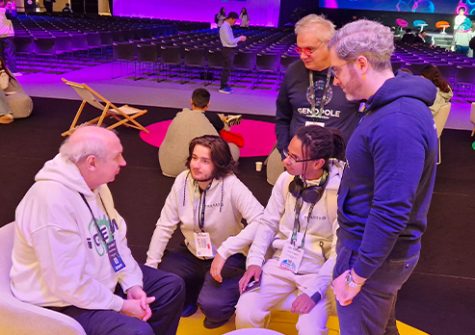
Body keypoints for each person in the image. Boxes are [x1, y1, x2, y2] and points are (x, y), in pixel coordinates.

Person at [10, 126, 186, 335]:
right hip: (60, 302)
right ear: (92, 162)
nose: (123, 162)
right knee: (136, 332)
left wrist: (132, 285)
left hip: (97, 280)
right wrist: (120, 305)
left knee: (169, 288)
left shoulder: (97, 187)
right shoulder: (51, 202)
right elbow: (66, 283)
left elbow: (115, 241)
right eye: (117, 156)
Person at [328, 19, 438, 334]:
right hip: (374, 252)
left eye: (337, 69)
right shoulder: (389, 108)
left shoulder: (397, 122)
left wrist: (357, 275)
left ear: (361, 63)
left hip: (371, 256)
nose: (334, 80)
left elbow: (391, 209)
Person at [235, 125, 345, 335]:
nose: (285, 161)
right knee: (245, 311)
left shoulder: (338, 193)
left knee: (309, 330)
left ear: (318, 163)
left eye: (294, 157)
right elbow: (268, 223)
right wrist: (255, 261)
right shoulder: (286, 180)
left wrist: (314, 292)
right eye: (287, 153)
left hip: (316, 273)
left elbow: (340, 251)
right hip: (281, 263)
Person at [147, 135, 264, 329]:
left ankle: (210, 289)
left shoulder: (231, 185)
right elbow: (164, 226)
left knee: (214, 309)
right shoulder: (182, 181)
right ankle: (195, 289)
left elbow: (261, 219)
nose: (196, 165)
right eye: (194, 158)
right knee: (164, 293)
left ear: (218, 164)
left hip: (227, 256)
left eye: (205, 161)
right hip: (191, 253)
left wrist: (226, 250)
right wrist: (150, 268)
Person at [269, 14, 361, 185]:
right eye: (299, 49)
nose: (303, 56)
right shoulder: (293, 71)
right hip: (298, 165)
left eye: (309, 49)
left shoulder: (350, 72)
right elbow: (283, 116)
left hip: (338, 167)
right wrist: (284, 150)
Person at [158, 88, 240, 177]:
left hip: (168, 167)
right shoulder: (210, 118)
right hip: (195, 170)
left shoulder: (180, 116)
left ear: (191, 101)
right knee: (233, 149)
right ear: (208, 104)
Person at [218, 12, 246, 94]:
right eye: (234, 20)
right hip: (227, 50)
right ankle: (222, 87)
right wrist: (240, 38)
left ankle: (225, 85)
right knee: (226, 69)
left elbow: (231, 41)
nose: (235, 22)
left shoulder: (227, 27)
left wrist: (237, 40)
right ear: (231, 18)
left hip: (229, 50)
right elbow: (230, 41)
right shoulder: (225, 27)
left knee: (227, 69)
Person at [0, 57, 33, 123]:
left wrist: (2, 77)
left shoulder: (3, 74)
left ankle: (4, 114)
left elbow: (3, 87)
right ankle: (4, 113)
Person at [0, 5, 16, 73]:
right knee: (10, 54)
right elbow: (14, 16)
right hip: (7, 34)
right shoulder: (5, 10)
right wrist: (13, 8)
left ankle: (2, 70)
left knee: (1, 55)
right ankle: (12, 71)